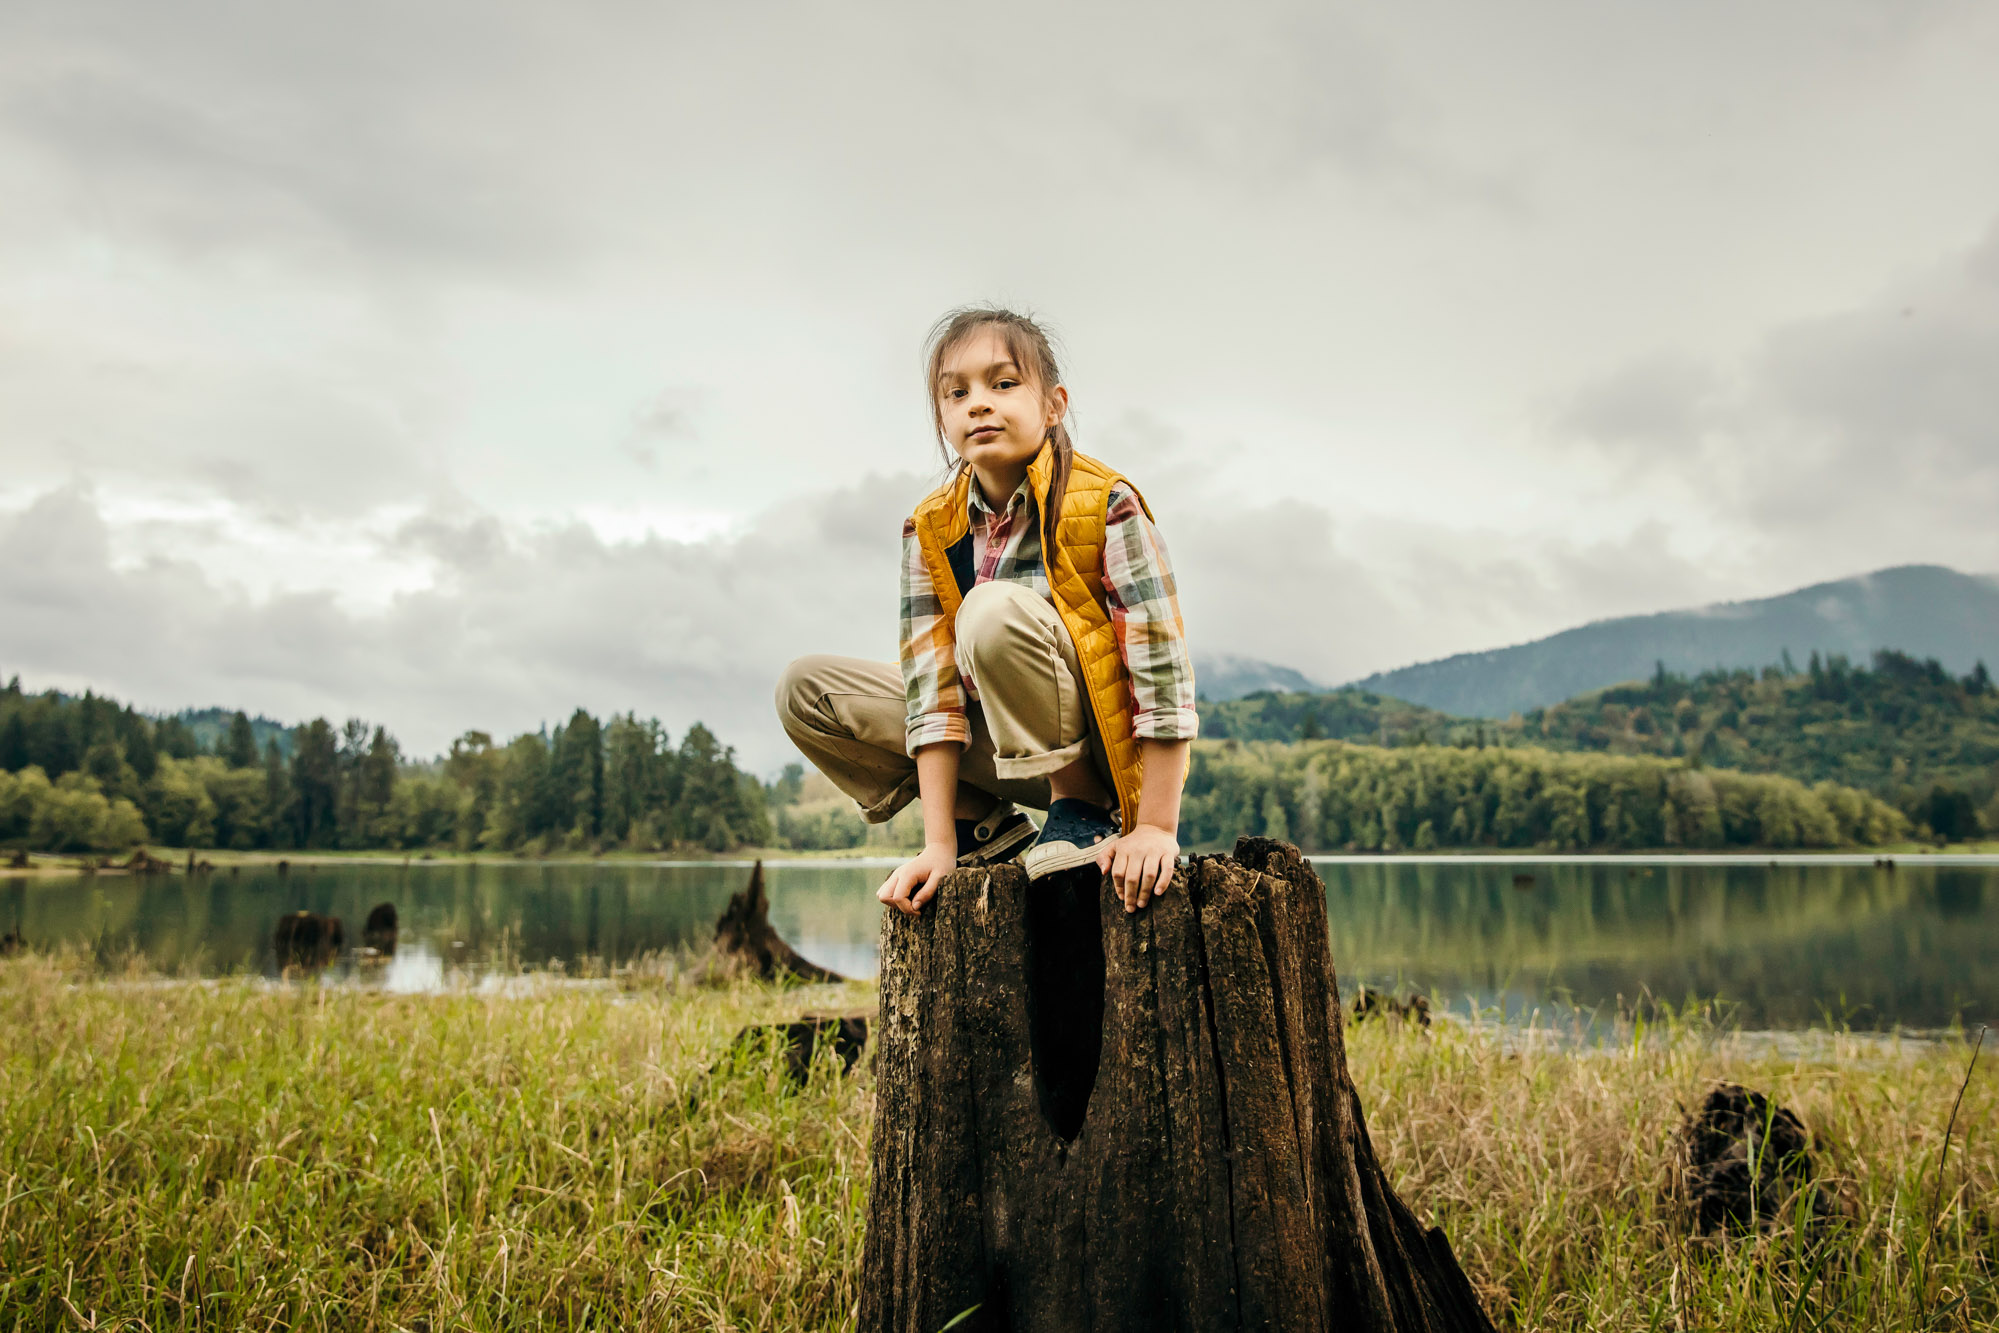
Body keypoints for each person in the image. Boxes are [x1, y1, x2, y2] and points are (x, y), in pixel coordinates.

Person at [775, 307, 1197, 917]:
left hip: (1106, 750)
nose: (979, 403)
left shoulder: (1106, 502)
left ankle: (1079, 806)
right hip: (1001, 751)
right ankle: (984, 827)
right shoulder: (929, 527)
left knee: (989, 611)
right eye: (957, 392)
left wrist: (1156, 826)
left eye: (1003, 384)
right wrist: (939, 843)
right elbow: (932, 692)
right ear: (942, 416)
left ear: (1053, 404)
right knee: (806, 689)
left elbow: (1162, 669)